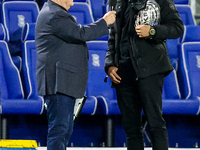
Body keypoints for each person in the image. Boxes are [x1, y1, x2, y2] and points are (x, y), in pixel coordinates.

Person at [35, 0, 116, 149]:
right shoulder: (54, 14)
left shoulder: (55, 12)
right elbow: (80, 34)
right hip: (58, 83)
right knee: (59, 130)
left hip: (64, 83)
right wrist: (104, 22)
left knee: (64, 130)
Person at [105, 0, 183, 150]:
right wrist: (110, 64)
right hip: (124, 72)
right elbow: (113, 36)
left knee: (155, 123)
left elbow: (177, 28)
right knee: (131, 128)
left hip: (150, 69)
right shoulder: (116, 1)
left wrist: (153, 31)